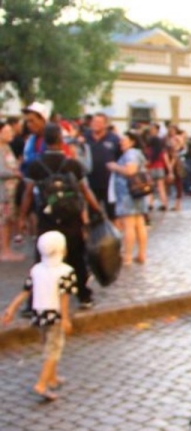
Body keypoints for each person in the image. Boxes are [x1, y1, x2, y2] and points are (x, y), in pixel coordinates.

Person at [20, 124, 102, 310]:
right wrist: (97, 210)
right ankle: (83, 296)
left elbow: (28, 193)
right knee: (76, 257)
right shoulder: (72, 164)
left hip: (47, 217)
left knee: (41, 258)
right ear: (60, 140)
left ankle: (33, 301)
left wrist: (22, 217)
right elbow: (85, 190)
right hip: (71, 217)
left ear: (45, 141)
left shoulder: (35, 166)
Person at [2, 231, 77, 401]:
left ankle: (52, 376)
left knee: (47, 343)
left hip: (38, 313)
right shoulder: (66, 271)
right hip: (55, 314)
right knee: (54, 348)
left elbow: (25, 292)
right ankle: (41, 384)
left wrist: (11, 309)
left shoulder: (36, 269)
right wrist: (65, 318)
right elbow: (64, 297)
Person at [107, 131, 149, 266]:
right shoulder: (137, 153)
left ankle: (128, 256)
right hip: (136, 193)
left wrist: (115, 167)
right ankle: (141, 253)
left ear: (132, 141)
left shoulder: (131, 154)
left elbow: (131, 170)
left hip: (128, 194)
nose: (121, 142)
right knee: (139, 224)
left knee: (129, 225)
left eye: (124, 140)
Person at [83, 113, 120, 219]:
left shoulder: (114, 139)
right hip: (89, 183)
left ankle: (114, 234)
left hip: (109, 184)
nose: (96, 124)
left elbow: (120, 157)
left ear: (105, 124)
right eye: (94, 122)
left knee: (112, 214)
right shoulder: (85, 136)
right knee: (91, 214)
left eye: (99, 122)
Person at [0, 121, 25, 261]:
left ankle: (6, 248)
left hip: (11, 191)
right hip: (3, 192)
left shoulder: (6, 147)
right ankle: (5, 250)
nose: (11, 134)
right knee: (4, 221)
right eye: (7, 132)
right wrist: (14, 173)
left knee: (9, 220)